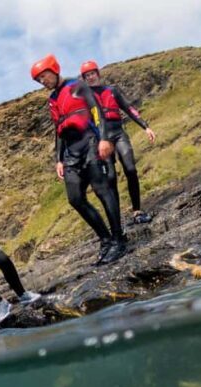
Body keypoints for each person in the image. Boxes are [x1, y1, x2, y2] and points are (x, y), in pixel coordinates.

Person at [31, 54, 127, 265]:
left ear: (54, 70)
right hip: (71, 153)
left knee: (103, 190)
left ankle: (119, 239)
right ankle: (106, 240)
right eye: (39, 80)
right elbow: (58, 130)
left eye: (44, 76)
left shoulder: (78, 86)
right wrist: (58, 159)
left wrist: (103, 139)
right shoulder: (52, 100)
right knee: (75, 198)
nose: (42, 82)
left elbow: (97, 112)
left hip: (91, 143)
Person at [80, 60, 156, 224]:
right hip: (102, 138)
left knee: (130, 169)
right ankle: (117, 220)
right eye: (87, 76)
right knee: (111, 178)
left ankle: (137, 211)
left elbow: (128, 109)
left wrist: (146, 127)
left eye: (92, 73)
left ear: (97, 74)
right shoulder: (85, 97)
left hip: (118, 133)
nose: (90, 77)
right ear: (85, 79)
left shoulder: (112, 90)